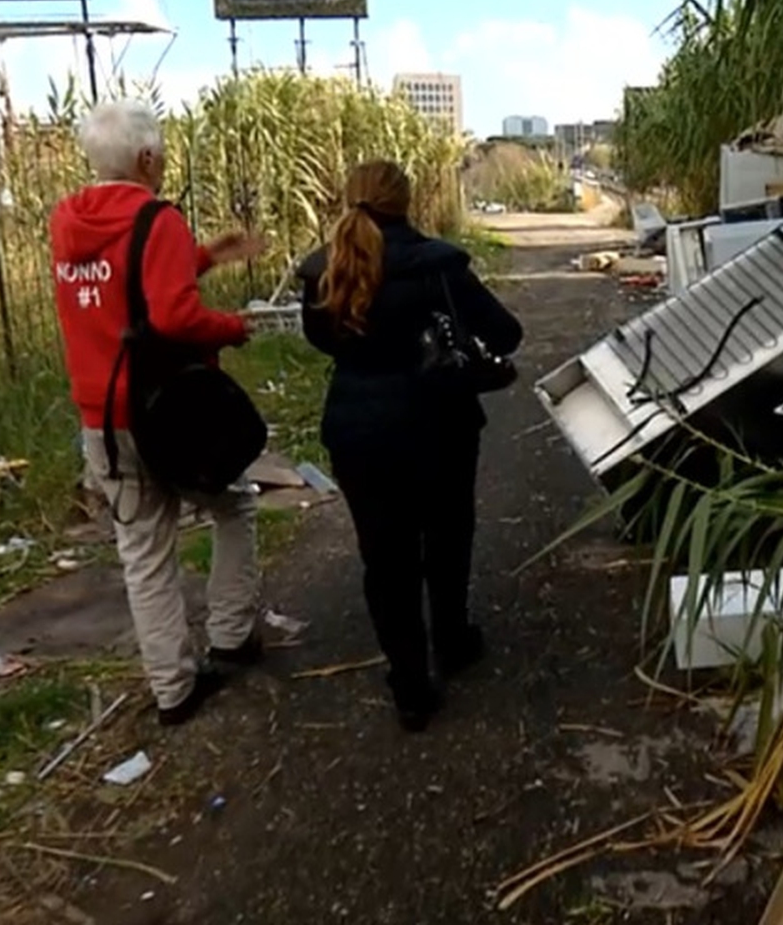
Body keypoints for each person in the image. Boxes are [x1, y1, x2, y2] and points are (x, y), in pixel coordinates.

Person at [49, 99, 269, 727]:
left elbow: (125, 289)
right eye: (163, 152)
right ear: (147, 157)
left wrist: (202, 257)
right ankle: (230, 633)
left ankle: (172, 688)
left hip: (101, 414)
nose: (165, 160)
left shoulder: (67, 220)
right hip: (165, 412)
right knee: (234, 504)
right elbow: (172, 316)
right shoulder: (156, 217)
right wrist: (229, 327)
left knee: (143, 550)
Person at [296, 160, 522, 731]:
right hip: (439, 422)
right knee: (447, 536)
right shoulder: (439, 266)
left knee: (384, 557)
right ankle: (452, 639)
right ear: (406, 201)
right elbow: (506, 333)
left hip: (356, 431)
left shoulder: (327, 270)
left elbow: (322, 339)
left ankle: (410, 685)